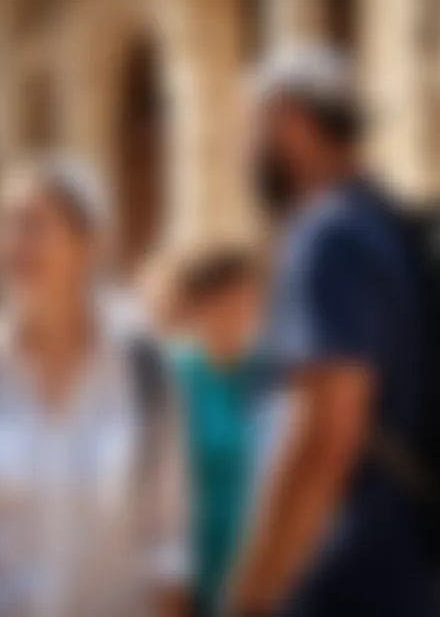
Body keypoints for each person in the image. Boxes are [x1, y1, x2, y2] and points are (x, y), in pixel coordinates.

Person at [0, 157, 189, 617]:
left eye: (34, 225)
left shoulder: (145, 370)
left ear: (88, 244)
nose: (13, 244)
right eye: (4, 225)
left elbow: (168, 545)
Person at [224, 46, 440, 616]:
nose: (245, 154)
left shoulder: (325, 236)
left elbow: (327, 432)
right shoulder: (386, 222)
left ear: (292, 123)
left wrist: (251, 593)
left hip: (341, 582)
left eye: (254, 132)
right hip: (408, 572)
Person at [170, 250, 260, 615]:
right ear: (199, 306)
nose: (239, 311)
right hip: (193, 574)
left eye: (247, 300)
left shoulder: (266, 373)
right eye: (227, 301)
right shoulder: (174, 375)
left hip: (260, 572)